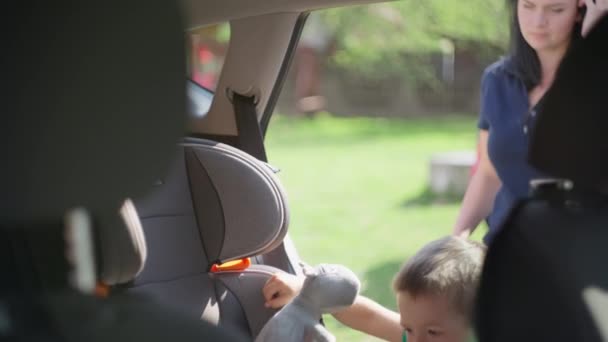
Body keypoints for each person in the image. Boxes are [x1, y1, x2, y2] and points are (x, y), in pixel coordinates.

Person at [452, 0, 608, 244]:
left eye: (555, 9)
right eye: (528, 6)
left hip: (582, 256)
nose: (538, 22)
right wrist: (455, 240)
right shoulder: (497, 79)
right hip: (507, 249)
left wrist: (596, 38)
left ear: (580, 11)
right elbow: (488, 173)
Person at [262, 236, 486, 342]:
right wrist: (308, 292)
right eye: (407, 329)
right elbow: (370, 317)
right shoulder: (419, 333)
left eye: (433, 333)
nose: (414, 341)